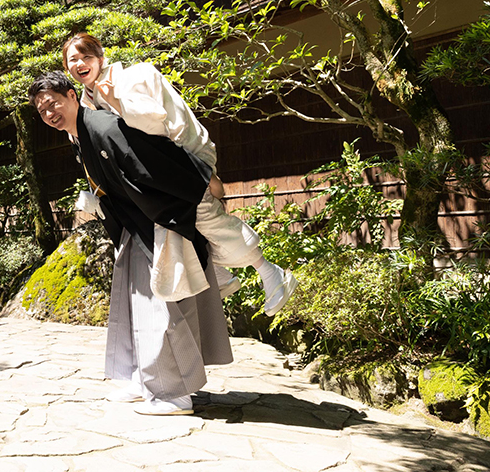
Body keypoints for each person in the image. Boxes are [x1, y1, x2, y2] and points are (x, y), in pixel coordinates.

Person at [29, 71, 234, 416]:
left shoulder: (105, 127)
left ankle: (174, 393)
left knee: (163, 310)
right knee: (136, 309)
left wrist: (199, 185)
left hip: (160, 223)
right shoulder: (81, 136)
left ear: (72, 96)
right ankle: (145, 379)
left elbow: (152, 164)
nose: (49, 113)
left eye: (53, 103)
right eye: (41, 110)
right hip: (135, 228)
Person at [63, 33, 297, 316]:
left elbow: (153, 122)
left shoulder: (132, 77)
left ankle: (270, 272)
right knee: (178, 225)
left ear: (101, 58)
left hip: (183, 155)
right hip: (156, 170)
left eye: (86, 56)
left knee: (206, 219)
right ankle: (220, 275)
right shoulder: (90, 100)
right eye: (73, 60)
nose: (80, 64)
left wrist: (119, 101)